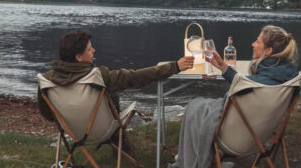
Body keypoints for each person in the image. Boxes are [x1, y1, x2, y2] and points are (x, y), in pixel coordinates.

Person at [166, 25, 299, 168]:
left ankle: (190, 163)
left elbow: (243, 86)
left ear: (268, 51)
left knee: (195, 106)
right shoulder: (287, 76)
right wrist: (223, 67)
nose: (253, 44)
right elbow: (246, 83)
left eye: (257, 42)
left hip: (235, 138)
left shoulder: (257, 84)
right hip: (261, 135)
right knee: (200, 106)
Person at [39, 30, 194, 121]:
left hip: (71, 128)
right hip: (99, 129)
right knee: (111, 95)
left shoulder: (46, 80)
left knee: (109, 94)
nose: (94, 51)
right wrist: (175, 66)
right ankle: (119, 144)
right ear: (79, 57)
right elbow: (135, 77)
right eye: (89, 49)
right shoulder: (98, 76)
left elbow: (48, 114)